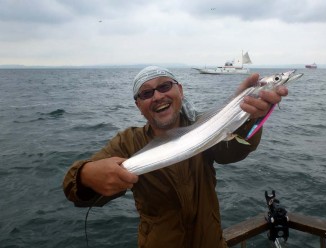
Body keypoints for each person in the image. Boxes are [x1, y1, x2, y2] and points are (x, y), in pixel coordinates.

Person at [63, 66, 288, 248]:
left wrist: (247, 116)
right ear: (138, 105)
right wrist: (85, 176)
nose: (158, 96)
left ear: (180, 90)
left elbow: (232, 151)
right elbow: (73, 190)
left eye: (164, 86)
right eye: (146, 93)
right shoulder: (127, 143)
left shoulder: (203, 127)